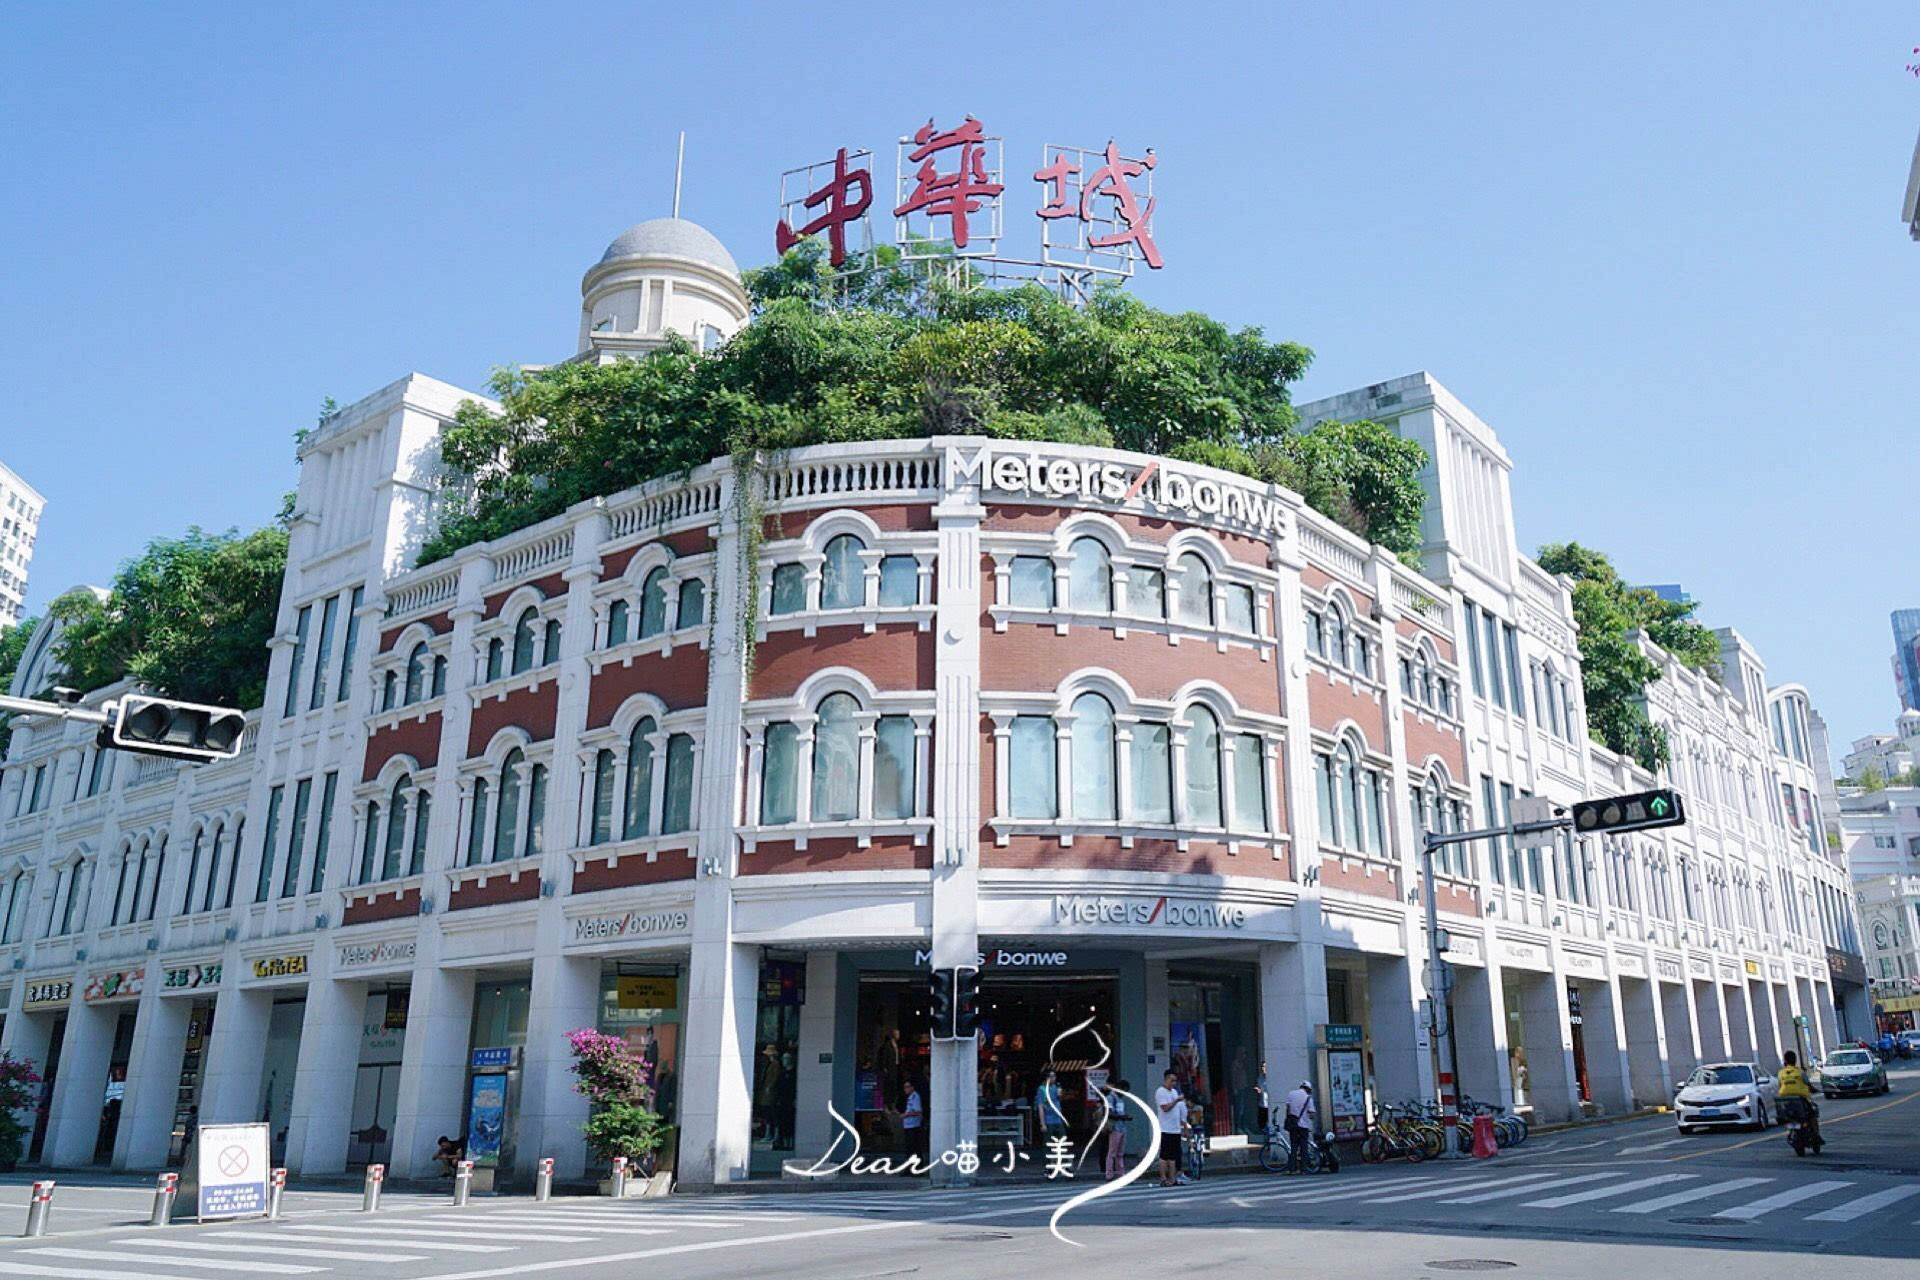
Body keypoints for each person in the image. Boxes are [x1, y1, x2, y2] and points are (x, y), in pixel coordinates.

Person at [1776, 1050, 1822, 1151]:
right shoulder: (1800, 1072)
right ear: (1795, 1060)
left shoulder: (1781, 1073)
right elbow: (1808, 1085)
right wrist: (1815, 1090)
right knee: (1813, 1116)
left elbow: (1779, 1086)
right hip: (1801, 1100)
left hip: (1787, 1102)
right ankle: (1816, 1136)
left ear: (1785, 1061)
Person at [1154, 1069, 1186, 1187]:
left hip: (1175, 1128)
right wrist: (1176, 1100)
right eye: (1172, 1080)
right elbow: (1165, 1108)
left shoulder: (1174, 1092)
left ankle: (1172, 1178)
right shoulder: (1160, 1092)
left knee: (1173, 1156)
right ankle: (1163, 1178)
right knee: (1164, 1155)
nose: (1173, 1083)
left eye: (1175, 1081)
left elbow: (1179, 1110)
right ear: (1166, 1079)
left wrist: (1183, 1125)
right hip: (1165, 1128)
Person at [1283, 1080, 1315, 1174]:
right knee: (1303, 1147)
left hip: (1293, 1125)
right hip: (1303, 1126)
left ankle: (1292, 1169)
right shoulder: (1308, 1098)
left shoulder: (1291, 1094)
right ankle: (1303, 1169)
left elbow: (1288, 1109)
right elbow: (1312, 1114)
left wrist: (1289, 1118)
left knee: (1293, 1147)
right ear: (1308, 1089)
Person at [1103, 1079, 1132, 1179]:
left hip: (1122, 1127)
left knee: (1120, 1153)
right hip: (1114, 1128)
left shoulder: (1120, 1099)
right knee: (1112, 1152)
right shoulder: (1110, 1098)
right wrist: (1123, 1117)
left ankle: (1121, 1173)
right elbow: (1108, 1113)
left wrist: (1124, 1117)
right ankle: (1109, 1174)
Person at [1034, 1069, 1067, 1148]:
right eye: (1051, 1076)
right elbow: (1040, 1107)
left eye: (1054, 1076)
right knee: (1048, 1141)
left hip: (1058, 1118)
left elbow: (1059, 1100)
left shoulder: (1056, 1087)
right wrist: (1043, 1124)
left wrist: (1060, 1094)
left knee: (1062, 1138)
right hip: (1048, 1119)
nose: (1054, 1078)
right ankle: (1048, 1155)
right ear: (1046, 1078)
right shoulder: (1041, 1089)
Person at [902, 1076, 926, 1161]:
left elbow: (918, 1111)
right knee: (910, 1148)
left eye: (907, 1087)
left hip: (914, 1126)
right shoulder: (910, 1097)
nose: (905, 1089)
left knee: (914, 1148)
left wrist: (906, 1115)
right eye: (905, 1087)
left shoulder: (915, 1097)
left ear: (912, 1087)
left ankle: (916, 1165)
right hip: (908, 1126)